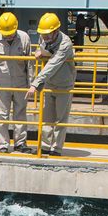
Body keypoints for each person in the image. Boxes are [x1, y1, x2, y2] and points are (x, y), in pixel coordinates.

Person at [0, 12, 34, 154]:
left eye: (11, 34)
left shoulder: (24, 38)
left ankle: (20, 143)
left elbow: (29, 63)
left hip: (20, 83)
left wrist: (32, 83)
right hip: (2, 83)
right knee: (2, 115)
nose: (9, 36)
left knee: (20, 114)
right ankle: (3, 144)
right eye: (6, 34)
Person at [27, 12, 76, 157]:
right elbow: (42, 49)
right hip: (49, 83)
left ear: (56, 31)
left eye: (48, 34)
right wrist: (38, 51)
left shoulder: (65, 43)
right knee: (47, 117)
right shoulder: (43, 38)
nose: (45, 37)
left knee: (60, 119)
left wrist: (36, 83)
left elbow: (53, 64)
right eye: (42, 34)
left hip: (64, 85)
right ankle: (45, 146)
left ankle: (56, 148)